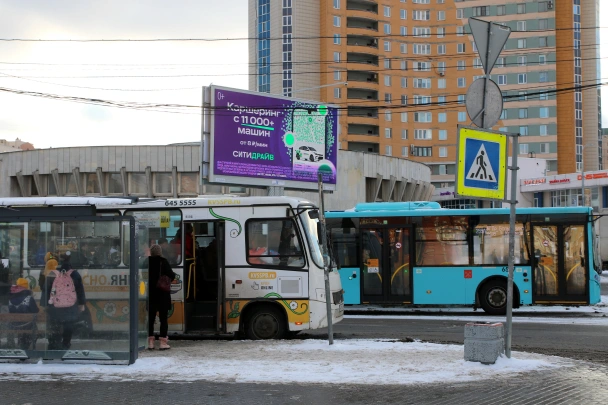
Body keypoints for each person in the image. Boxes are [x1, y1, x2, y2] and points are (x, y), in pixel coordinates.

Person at [41, 261, 86, 350]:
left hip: (55, 305)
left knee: (54, 325)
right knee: (68, 325)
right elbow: (80, 289)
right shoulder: (75, 274)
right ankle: (66, 343)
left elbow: (46, 289)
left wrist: (45, 304)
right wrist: (81, 303)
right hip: (70, 306)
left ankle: (53, 344)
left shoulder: (52, 274)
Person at [147, 244, 175, 350]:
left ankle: (150, 342)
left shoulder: (147, 262)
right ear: (160, 252)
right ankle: (163, 343)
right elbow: (172, 275)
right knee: (163, 319)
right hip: (162, 294)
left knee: (151, 318)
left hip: (151, 294)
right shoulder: (163, 261)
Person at [8, 278, 39, 349]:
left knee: (22, 330)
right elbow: (35, 311)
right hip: (27, 325)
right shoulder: (29, 298)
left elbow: (10, 311)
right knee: (32, 328)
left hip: (14, 325)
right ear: (26, 286)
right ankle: (25, 346)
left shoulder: (11, 298)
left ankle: (22, 344)